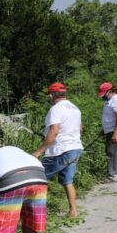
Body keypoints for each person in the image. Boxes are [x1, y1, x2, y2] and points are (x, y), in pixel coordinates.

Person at [32, 82, 83, 217]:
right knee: (67, 181)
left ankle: (35, 213)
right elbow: (80, 128)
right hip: (75, 148)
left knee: (37, 178)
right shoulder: (75, 108)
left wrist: (39, 151)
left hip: (60, 151)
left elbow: (54, 131)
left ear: (52, 95)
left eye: (49, 94)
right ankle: (73, 211)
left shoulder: (56, 109)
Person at [98, 82, 117, 182]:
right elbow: (109, 116)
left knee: (111, 153)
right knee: (112, 152)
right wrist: (104, 129)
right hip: (110, 130)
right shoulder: (109, 100)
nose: (102, 96)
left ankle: (112, 176)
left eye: (104, 94)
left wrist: (115, 133)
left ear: (110, 91)